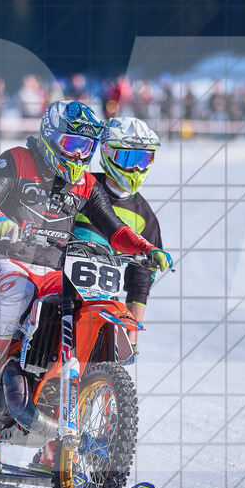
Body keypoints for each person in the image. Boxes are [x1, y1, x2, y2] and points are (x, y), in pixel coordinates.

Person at [0, 100, 173, 419]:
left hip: (53, 273)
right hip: (5, 262)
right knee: (18, 291)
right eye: (72, 144)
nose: (77, 155)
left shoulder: (86, 184)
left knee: (83, 307)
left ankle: (53, 393)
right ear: (50, 137)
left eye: (85, 147)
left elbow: (115, 228)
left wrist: (146, 248)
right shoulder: (18, 159)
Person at [73, 116, 162, 353]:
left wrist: (132, 335)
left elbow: (141, 279)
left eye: (143, 159)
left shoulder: (145, 216)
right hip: (57, 285)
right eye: (128, 158)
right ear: (108, 153)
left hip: (103, 301)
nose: (136, 169)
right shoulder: (81, 187)